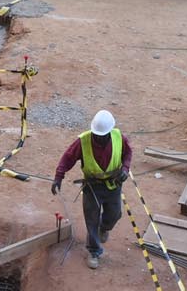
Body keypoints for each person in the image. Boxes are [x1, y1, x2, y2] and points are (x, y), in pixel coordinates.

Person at [52, 109, 130, 270]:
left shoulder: (118, 138)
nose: (99, 138)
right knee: (92, 219)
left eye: (102, 136)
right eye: (96, 135)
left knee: (114, 214)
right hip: (92, 186)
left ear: (109, 132)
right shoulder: (83, 141)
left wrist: (125, 169)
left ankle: (105, 227)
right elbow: (67, 158)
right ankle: (94, 251)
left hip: (113, 184)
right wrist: (58, 177)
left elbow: (128, 153)